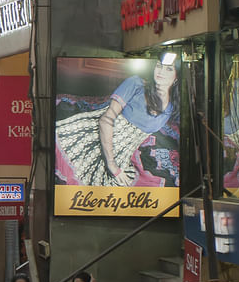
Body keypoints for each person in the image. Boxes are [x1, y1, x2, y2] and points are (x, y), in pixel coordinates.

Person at [55, 59, 179, 188]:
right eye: (159, 66)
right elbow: (106, 120)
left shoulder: (171, 107)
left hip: (123, 155)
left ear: (176, 77)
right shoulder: (136, 83)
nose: (161, 71)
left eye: (169, 68)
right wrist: (112, 165)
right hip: (96, 140)